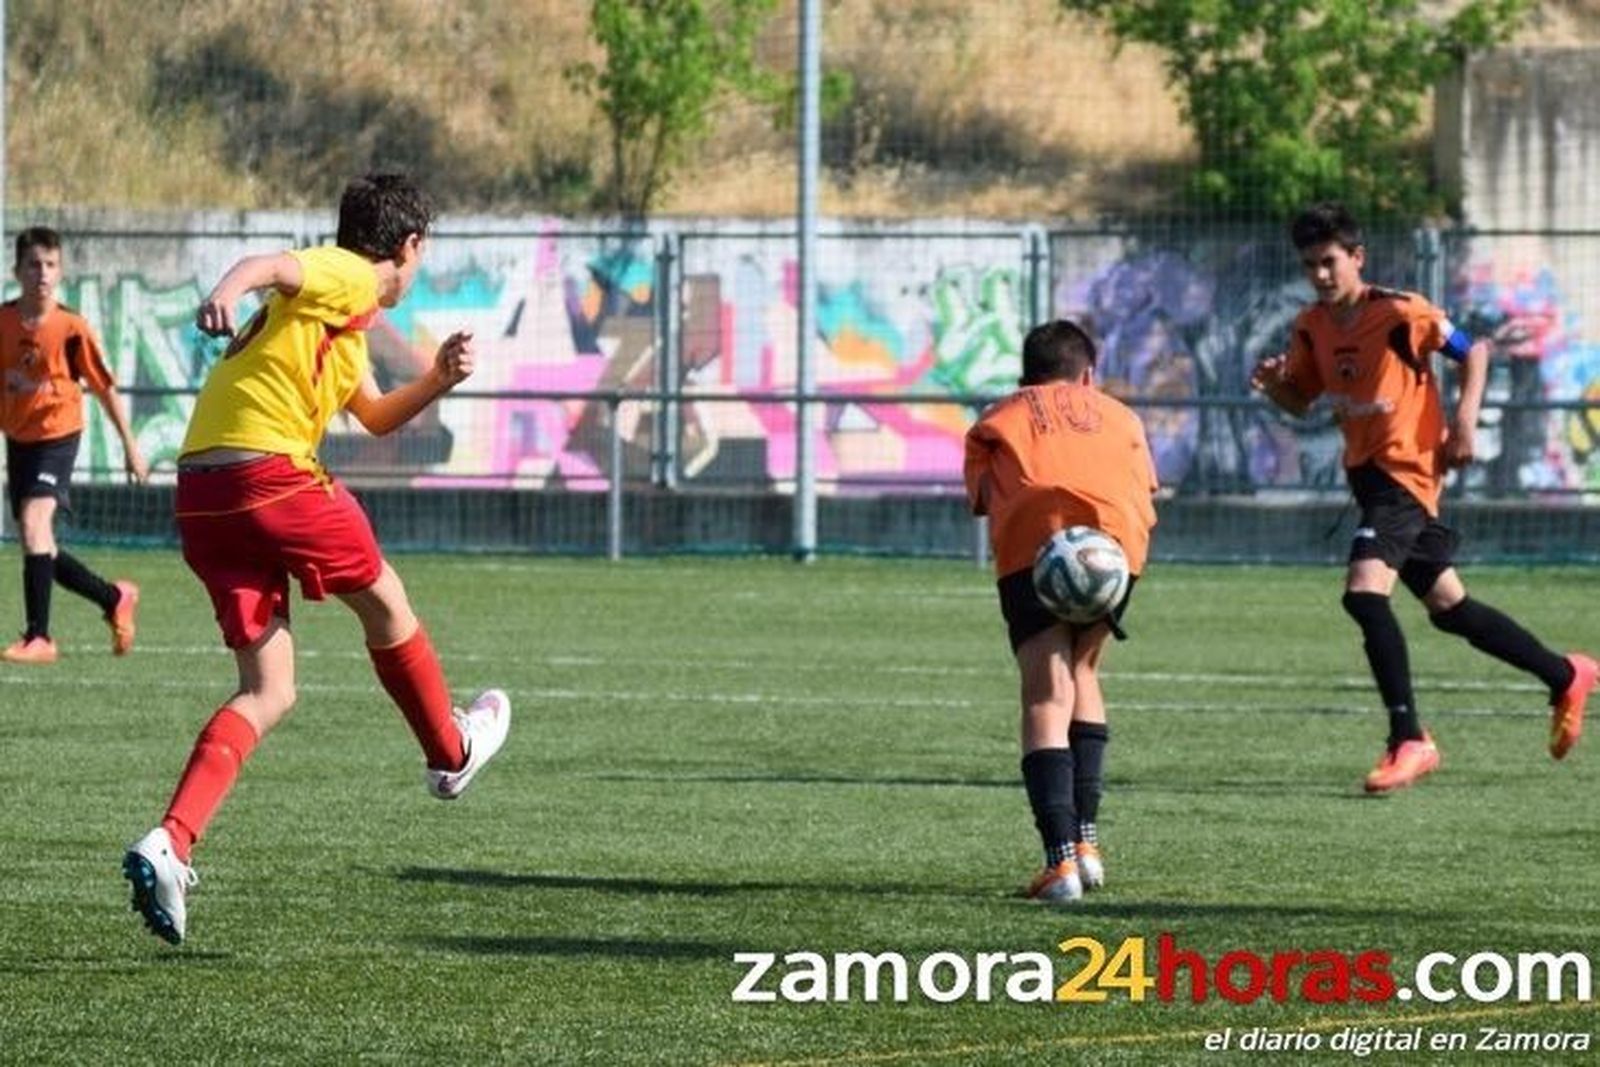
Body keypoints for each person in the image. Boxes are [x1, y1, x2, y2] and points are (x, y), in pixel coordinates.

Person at [121, 173, 511, 945]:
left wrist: (434, 379)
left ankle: (170, 841)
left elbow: (370, 416)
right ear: (410, 246)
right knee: (388, 601)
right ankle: (452, 751)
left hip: (204, 492)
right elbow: (269, 264)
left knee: (268, 688)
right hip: (268, 476)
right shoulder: (349, 274)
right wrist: (225, 290)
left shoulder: (334, 325)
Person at [1252, 201, 1596, 793]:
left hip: (1405, 477)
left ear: (1356, 257)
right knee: (1451, 609)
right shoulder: (1311, 325)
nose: (1321, 275)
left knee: (1363, 596)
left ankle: (1408, 738)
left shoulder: (1399, 311)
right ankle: (1565, 673)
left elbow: (1476, 351)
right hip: (1367, 479)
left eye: (1330, 262)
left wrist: (1463, 420)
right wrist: (1272, 387)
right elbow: (1300, 401)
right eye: (1310, 265)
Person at [964, 319, 1158, 903]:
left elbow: (980, 497)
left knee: (1046, 693)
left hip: (1037, 548)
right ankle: (1089, 844)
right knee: (1084, 672)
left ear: (1026, 377)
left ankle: (1059, 864)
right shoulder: (1121, 415)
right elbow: (1148, 490)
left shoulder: (998, 417)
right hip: (1114, 551)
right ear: (1088, 374)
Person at [0, 227, 148, 663]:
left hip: (58, 439)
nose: (42, 274)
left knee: (33, 524)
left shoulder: (70, 327)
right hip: (19, 440)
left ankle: (39, 637)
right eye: (33, 264)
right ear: (17, 270)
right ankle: (113, 597)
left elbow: (105, 389)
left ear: (60, 272)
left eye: (50, 265)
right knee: (39, 541)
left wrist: (130, 446)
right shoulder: (4, 323)